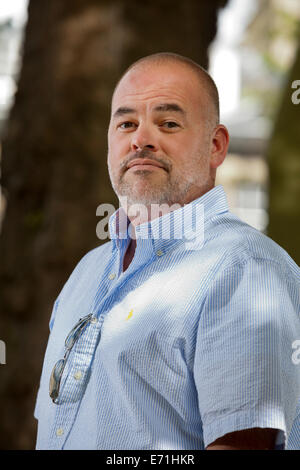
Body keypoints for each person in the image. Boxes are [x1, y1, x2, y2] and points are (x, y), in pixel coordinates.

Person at [34, 52, 300, 450]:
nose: (140, 139)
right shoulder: (87, 271)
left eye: (168, 123)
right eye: (126, 123)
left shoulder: (245, 269)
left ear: (216, 146)